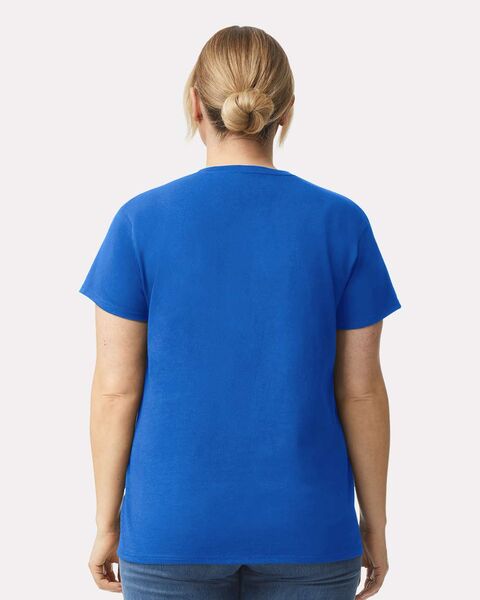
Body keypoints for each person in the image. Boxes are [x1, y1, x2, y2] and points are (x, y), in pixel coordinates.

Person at [79, 25, 401, 600]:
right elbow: (361, 393)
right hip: (311, 530)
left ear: (194, 104)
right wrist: (373, 524)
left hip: (171, 530)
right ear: (287, 112)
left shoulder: (139, 222)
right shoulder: (341, 222)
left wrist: (107, 523)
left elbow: (115, 391)